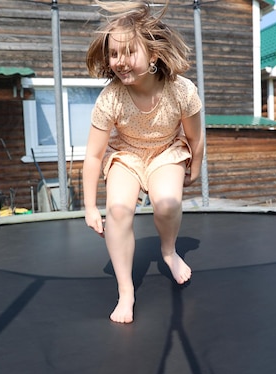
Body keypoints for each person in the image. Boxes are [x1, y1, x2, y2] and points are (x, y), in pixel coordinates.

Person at [83, 0, 204, 324]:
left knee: (166, 203)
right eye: (114, 54)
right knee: (119, 210)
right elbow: (94, 154)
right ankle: (126, 292)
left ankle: (168, 251)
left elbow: (195, 137)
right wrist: (90, 207)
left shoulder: (182, 91)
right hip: (127, 155)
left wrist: (196, 167)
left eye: (129, 53)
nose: (120, 62)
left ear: (153, 55)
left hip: (166, 151)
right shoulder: (111, 97)